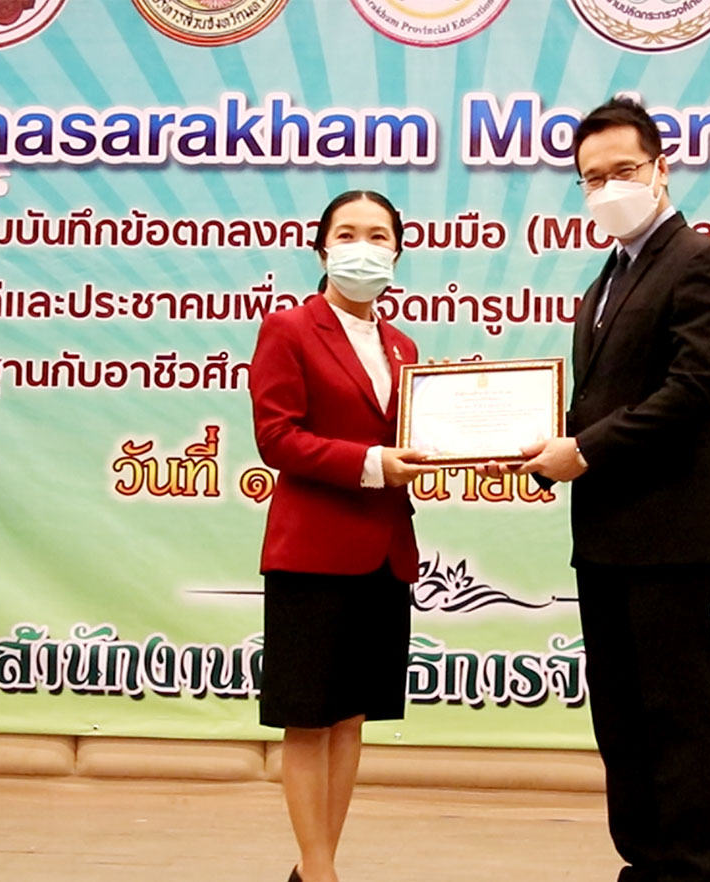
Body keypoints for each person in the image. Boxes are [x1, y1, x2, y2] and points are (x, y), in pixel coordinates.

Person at [514, 97, 710, 881]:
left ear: (660, 170)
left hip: (669, 534)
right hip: (606, 534)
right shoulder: (605, 280)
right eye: (592, 178)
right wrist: (537, 445)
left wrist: (584, 450)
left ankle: (685, 868)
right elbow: (601, 399)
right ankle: (643, 862)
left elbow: (695, 389)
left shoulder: (702, 261)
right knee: (620, 717)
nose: (608, 188)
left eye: (623, 170)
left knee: (674, 715)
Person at [249, 190, 434, 882]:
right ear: (322, 247)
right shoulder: (289, 328)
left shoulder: (402, 346)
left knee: (351, 718)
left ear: (398, 251)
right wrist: (372, 464)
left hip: (384, 552)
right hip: (312, 552)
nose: (363, 247)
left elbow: (411, 436)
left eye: (378, 235)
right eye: (348, 233)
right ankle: (320, 872)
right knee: (309, 718)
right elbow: (277, 437)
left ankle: (316, 867)